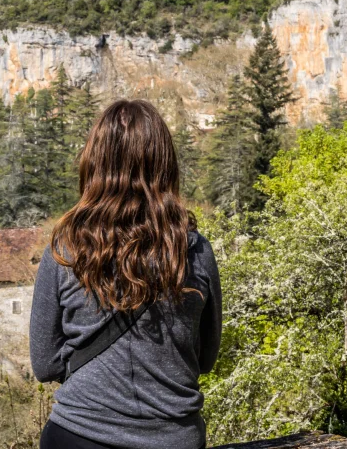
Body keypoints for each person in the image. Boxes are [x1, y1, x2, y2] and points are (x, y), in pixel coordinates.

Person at [29, 100, 222, 449]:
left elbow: (44, 365)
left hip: (78, 434)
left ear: (94, 163)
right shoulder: (195, 253)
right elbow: (205, 358)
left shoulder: (64, 253)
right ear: (165, 165)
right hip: (173, 439)